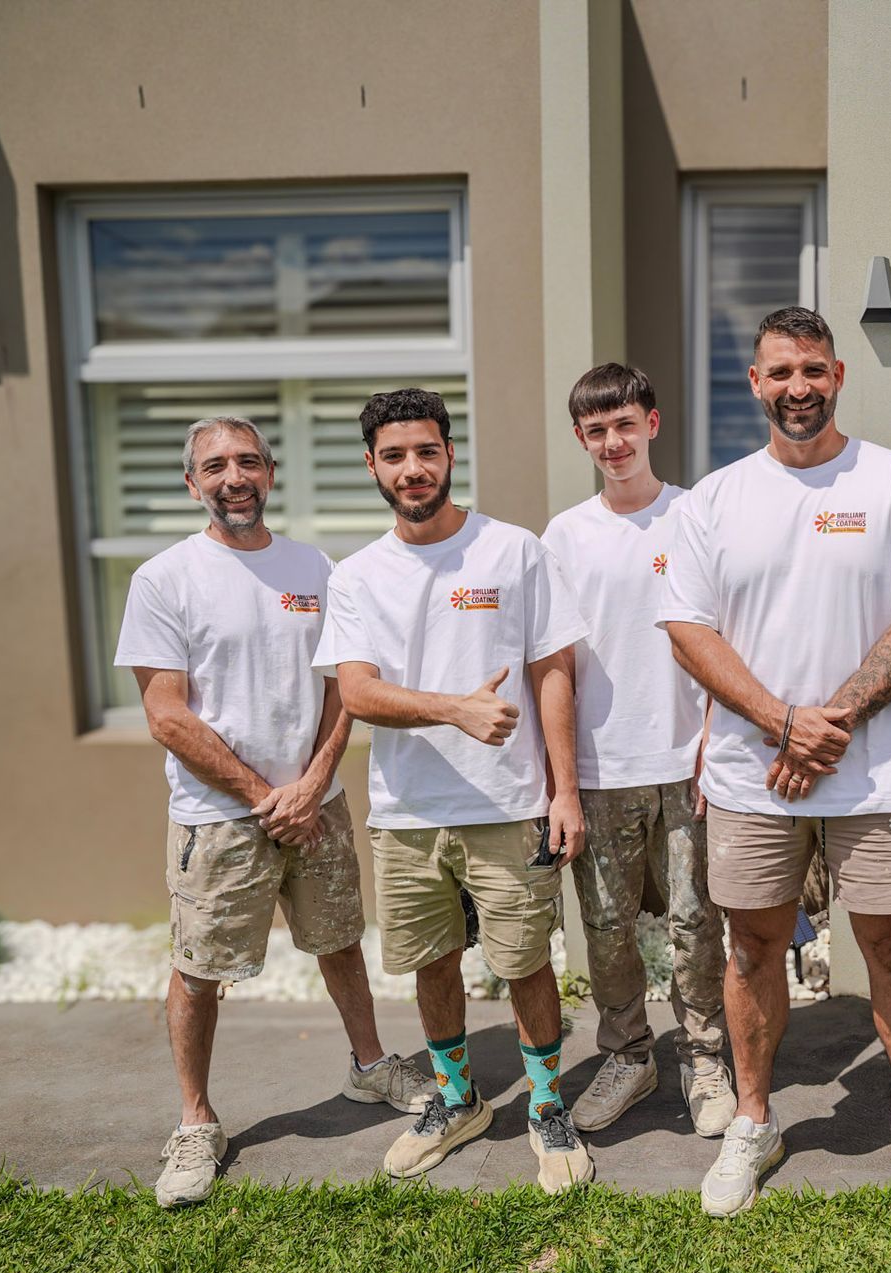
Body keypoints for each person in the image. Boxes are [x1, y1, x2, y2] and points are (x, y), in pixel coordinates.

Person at [660, 306, 891, 1231]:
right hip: (752, 774)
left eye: (812, 370)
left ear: (838, 375)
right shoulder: (714, 499)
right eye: (779, 372)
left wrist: (825, 725)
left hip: (876, 775)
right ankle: (754, 1122)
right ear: (755, 384)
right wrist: (782, 724)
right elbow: (687, 629)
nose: (797, 387)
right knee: (752, 948)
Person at [117, 415, 430, 1209]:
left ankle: (369, 1067)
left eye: (248, 462)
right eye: (215, 466)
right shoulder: (163, 579)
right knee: (200, 970)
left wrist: (314, 781)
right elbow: (166, 715)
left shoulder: (314, 568)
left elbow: (341, 690)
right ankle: (196, 1122)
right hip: (219, 818)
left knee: (340, 942)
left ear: (271, 472)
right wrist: (267, 798)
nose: (234, 478)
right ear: (192, 483)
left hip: (317, 806)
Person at [312, 387, 594, 1194]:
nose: (413, 468)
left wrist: (564, 792)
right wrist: (456, 709)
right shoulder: (358, 575)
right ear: (372, 467)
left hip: (510, 805)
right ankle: (459, 1099)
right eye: (394, 456)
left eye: (426, 452)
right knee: (431, 962)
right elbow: (357, 692)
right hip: (407, 813)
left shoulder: (513, 551)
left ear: (449, 455)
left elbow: (553, 672)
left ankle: (547, 1106)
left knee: (525, 962)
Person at [541, 363, 736, 1138]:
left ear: (651, 424)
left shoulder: (697, 516)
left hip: (689, 758)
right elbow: (553, 665)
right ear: (581, 439)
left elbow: (726, 634)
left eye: (625, 425)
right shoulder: (565, 535)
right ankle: (628, 1054)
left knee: (696, 921)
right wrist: (561, 783)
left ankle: (705, 1057)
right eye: (596, 431)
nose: (613, 443)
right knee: (606, 926)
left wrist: (717, 734)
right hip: (601, 766)